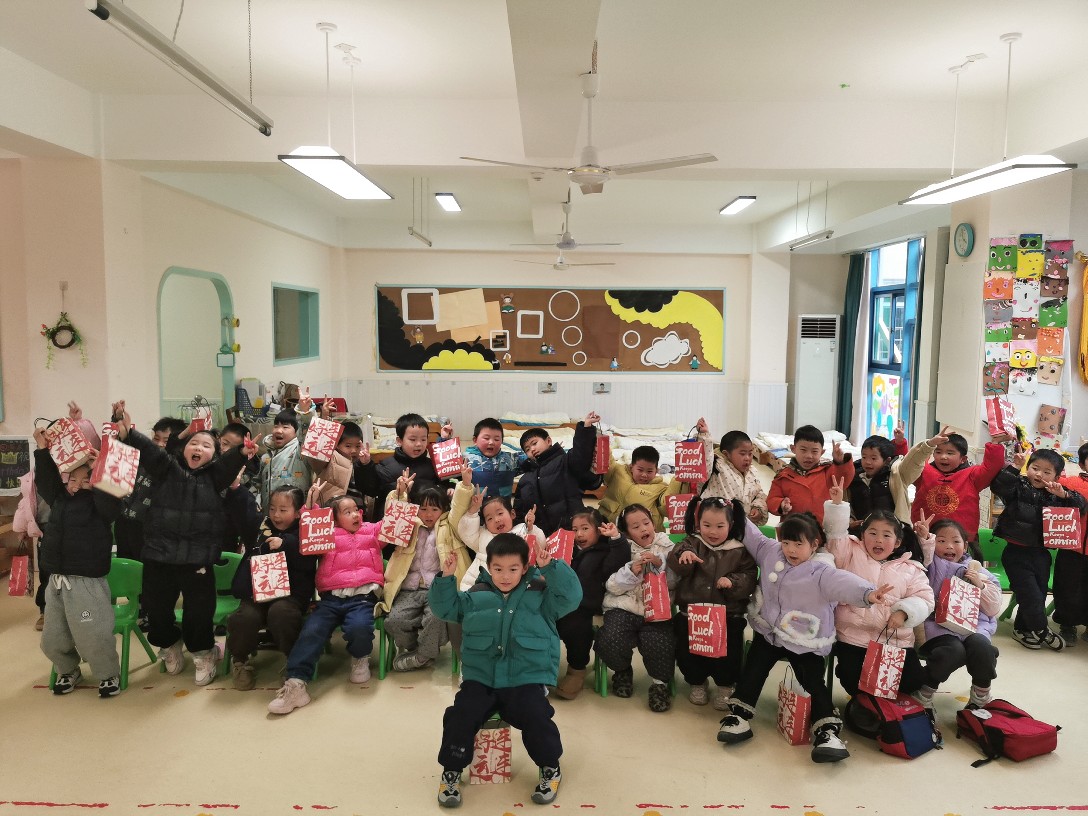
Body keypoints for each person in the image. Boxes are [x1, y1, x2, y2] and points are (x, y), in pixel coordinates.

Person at [716, 511, 895, 763]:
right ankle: (739, 716)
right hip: (769, 632)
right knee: (754, 670)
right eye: (786, 542)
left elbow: (845, 583)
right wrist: (733, 509)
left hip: (804, 641)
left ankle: (827, 731)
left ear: (813, 544)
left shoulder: (821, 571)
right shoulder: (770, 552)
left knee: (812, 681)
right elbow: (752, 535)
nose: (791, 549)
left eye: (798, 544)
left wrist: (868, 594)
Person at [430, 533, 582, 808]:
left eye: (513, 569)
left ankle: (550, 766)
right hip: (481, 678)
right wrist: (445, 578)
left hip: (525, 677)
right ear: (488, 567)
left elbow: (571, 597)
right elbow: (445, 609)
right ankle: (451, 770)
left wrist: (551, 567)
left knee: (536, 715)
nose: (505, 576)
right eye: (498, 569)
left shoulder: (541, 595)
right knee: (461, 715)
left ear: (524, 567)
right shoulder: (476, 594)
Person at [114, 401, 253, 686]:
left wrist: (241, 452)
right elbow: (151, 451)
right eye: (194, 443)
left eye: (207, 445)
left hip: (198, 559)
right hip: (159, 555)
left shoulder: (215, 477)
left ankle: (204, 653)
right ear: (183, 447)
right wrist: (128, 432)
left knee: (198, 614)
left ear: (215, 454)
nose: (199, 448)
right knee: (156, 611)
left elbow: (229, 464)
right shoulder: (166, 468)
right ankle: (169, 645)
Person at [268, 494, 384, 714]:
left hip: (362, 598)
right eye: (347, 512)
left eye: (356, 510)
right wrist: (309, 507)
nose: (355, 515)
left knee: (359, 626)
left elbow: (394, 525)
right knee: (312, 630)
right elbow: (309, 532)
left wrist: (400, 495)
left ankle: (360, 657)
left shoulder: (371, 531)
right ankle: (296, 683)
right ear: (335, 518)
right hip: (330, 599)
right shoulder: (325, 535)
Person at [823, 477, 934, 701]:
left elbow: (925, 598)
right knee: (852, 679)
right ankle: (867, 705)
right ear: (862, 535)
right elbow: (836, 536)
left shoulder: (910, 567)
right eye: (872, 533)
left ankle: (884, 707)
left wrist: (904, 613)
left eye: (886, 535)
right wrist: (837, 506)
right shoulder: (849, 553)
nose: (878, 540)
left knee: (913, 680)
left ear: (897, 542)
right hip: (854, 636)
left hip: (896, 640)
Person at [33, 425, 124, 697]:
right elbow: (47, 481)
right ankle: (68, 668)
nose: (75, 485)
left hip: (87, 582)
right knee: (53, 638)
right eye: (72, 478)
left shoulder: (100, 505)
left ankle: (108, 673)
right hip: (56, 580)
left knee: (93, 634)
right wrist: (42, 450)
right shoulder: (60, 498)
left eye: (84, 480)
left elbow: (111, 502)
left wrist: (99, 473)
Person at [667, 497, 758, 709]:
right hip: (692, 613)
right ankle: (697, 682)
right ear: (698, 523)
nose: (712, 532)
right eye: (706, 525)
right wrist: (684, 555)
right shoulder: (692, 543)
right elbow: (675, 558)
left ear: (731, 525)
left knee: (728, 655)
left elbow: (749, 576)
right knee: (689, 652)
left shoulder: (739, 550)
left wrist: (733, 582)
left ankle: (725, 686)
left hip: (728, 615)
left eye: (720, 526)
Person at [225, 484, 318, 691]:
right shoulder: (259, 528)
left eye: (283, 510)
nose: (276, 515)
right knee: (244, 617)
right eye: (273, 508)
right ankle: (240, 661)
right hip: (256, 592)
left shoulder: (306, 531)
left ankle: (293, 662)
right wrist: (236, 489)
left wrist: (286, 544)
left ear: (297, 513)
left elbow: (309, 562)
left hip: (290, 595)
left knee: (282, 613)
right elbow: (245, 511)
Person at [993, 448, 1087, 650]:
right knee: (1030, 594)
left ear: (1056, 476)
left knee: (1039, 593)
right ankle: (1042, 629)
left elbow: (1081, 506)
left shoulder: (1055, 494)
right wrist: (1014, 467)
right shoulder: (1019, 486)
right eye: (1035, 468)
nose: (1039, 474)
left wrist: (1063, 494)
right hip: (1016, 552)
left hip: (1041, 553)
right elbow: (999, 486)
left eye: (1047, 472)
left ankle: (1023, 629)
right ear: (1028, 468)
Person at [380, 472, 472, 672]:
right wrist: (399, 494)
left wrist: (464, 486)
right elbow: (393, 515)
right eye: (423, 509)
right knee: (393, 621)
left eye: (434, 509)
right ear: (416, 508)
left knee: (437, 618)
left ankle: (422, 657)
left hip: (438, 589)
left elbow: (459, 508)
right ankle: (419, 650)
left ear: (443, 510)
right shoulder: (409, 524)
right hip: (408, 588)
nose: (429, 514)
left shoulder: (450, 525)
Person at [912, 517, 1002, 711]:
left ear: (965, 545)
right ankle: (924, 692)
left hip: (974, 627)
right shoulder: (929, 565)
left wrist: (981, 585)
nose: (949, 546)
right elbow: (924, 557)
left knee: (983, 649)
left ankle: (980, 695)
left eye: (956, 541)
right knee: (951, 652)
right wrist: (924, 538)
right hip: (938, 626)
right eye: (941, 540)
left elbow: (993, 608)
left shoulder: (978, 571)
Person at [595, 503, 677, 712]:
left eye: (646, 523)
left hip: (657, 609)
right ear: (626, 532)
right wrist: (630, 572)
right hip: (623, 607)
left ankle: (660, 684)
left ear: (653, 523)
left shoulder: (667, 546)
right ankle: (622, 671)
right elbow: (610, 586)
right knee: (610, 638)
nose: (643, 529)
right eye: (635, 526)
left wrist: (660, 564)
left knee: (661, 642)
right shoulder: (622, 548)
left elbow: (677, 581)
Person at [553, 508, 629, 700]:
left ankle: (576, 669)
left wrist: (616, 539)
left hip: (586, 605)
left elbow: (618, 564)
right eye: (575, 529)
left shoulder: (605, 551)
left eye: (585, 528)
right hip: (559, 602)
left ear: (598, 530)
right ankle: (540, 668)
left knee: (576, 627)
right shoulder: (567, 549)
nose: (579, 534)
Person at [910, 428, 1004, 557]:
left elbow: (991, 467)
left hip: (961, 542)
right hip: (924, 537)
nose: (943, 456)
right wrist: (929, 444)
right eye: (938, 452)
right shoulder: (923, 472)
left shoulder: (972, 476)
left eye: (950, 453)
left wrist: (995, 444)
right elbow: (909, 465)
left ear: (963, 459)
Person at [848, 423, 933, 560]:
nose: (867, 462)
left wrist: (929, 445)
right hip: (864, 535)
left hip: (894, 534)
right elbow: (846, 504)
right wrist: (850, 523)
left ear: (887, 460)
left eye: (873, 458)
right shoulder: (853, 477)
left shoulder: (896, 475)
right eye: (864, 457)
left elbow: (913, 462)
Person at [458, 467, 544, 592]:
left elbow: (540, 545)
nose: (496, 520)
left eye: (500, 513)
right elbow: (466, 533)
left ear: (512, 514)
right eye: (490, 518)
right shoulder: (483, 535)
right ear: (485, 524)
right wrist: (473, 511)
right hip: (480, 588)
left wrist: (531, 528)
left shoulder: (522, 531)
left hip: (515, 588)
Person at [514, 411, 599, 535]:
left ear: (548, 441)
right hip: (541, 535)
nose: (532, 449)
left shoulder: (565, 461)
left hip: (570, 529)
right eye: (527, 449)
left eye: (534, 443)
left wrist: (586, 428)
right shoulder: (525, 479)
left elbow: (581, 455)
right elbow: (519, 511)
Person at [360, 413, 452, 522]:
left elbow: (445, 484)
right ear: (399, 441)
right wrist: (365, 465)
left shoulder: (432, 465)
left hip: (426, 522)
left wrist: (449, 489)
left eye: (423, 439)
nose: (419, 444)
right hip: (394, 524)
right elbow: (370, 490)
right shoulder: (386, 466)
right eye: (413, 439)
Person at [766, 425, 854, 524]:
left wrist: (840, 462)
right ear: (793, 449)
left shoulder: (827, 471)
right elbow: (771, 499)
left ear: (822, 452)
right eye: (803, 450)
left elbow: (844, 479)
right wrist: (781, 504)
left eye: (814, 451)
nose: (809, 456)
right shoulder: (783, 475)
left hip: (822, 528)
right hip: (793, 529)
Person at [693, 422, 769, 525]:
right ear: (726, 454)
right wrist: (704, 435)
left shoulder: (752, 472)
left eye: (750, 453)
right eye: (742, 454)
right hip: (715, 526)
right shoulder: (717, 467)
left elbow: (759, 494)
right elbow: (705, 459)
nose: (747, 458)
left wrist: (758, 508)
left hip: (741, 527)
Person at [597, 444, 683, 531]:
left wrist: (679, 480)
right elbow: (607, 460)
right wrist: (602, 444)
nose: (644, 475)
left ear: (656, 471)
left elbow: (668, 506)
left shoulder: (660, 488)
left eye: (649, 471)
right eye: (640, 470)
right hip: (606, 528)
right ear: (631, 467)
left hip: (641, 536)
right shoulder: (618, 472)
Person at [1055, 442, 1088, 644]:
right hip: (1071, 548)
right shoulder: (1071, 483)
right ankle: (1067, 625)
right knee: (1067, 588)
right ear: (1082, 464)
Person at [258, 407, 312, 511]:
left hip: (296, 514)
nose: (278, 430)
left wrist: (305, 412)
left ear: (297, 431)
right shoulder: (266, 457)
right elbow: (258, 484)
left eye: (285, 427)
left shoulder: (299, 450)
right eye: (276, 426)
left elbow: (307, 433)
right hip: (270, 514)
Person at [463, 417, 525, 498]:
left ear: (502, 441)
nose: (491, 442)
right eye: (486, 438)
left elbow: (532, 459)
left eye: (496, 439)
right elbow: (450, 477)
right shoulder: (465, 459)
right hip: (475, 505)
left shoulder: (511, 459)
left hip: (503, 505)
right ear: (475, 440)